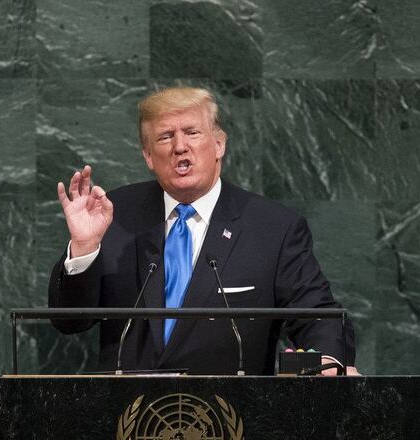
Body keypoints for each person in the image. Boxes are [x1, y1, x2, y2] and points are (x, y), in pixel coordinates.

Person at [48, 87, 358, 375]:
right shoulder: (114, 215)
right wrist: (85, 247)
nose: (180, 147)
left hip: (233, 418)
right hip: (129, 418)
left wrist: (329, 362)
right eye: (165, 137)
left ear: (219, 144)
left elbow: (319, 314)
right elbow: (70, 321)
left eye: (192, 133)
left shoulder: (273, 228)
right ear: (148, 156)